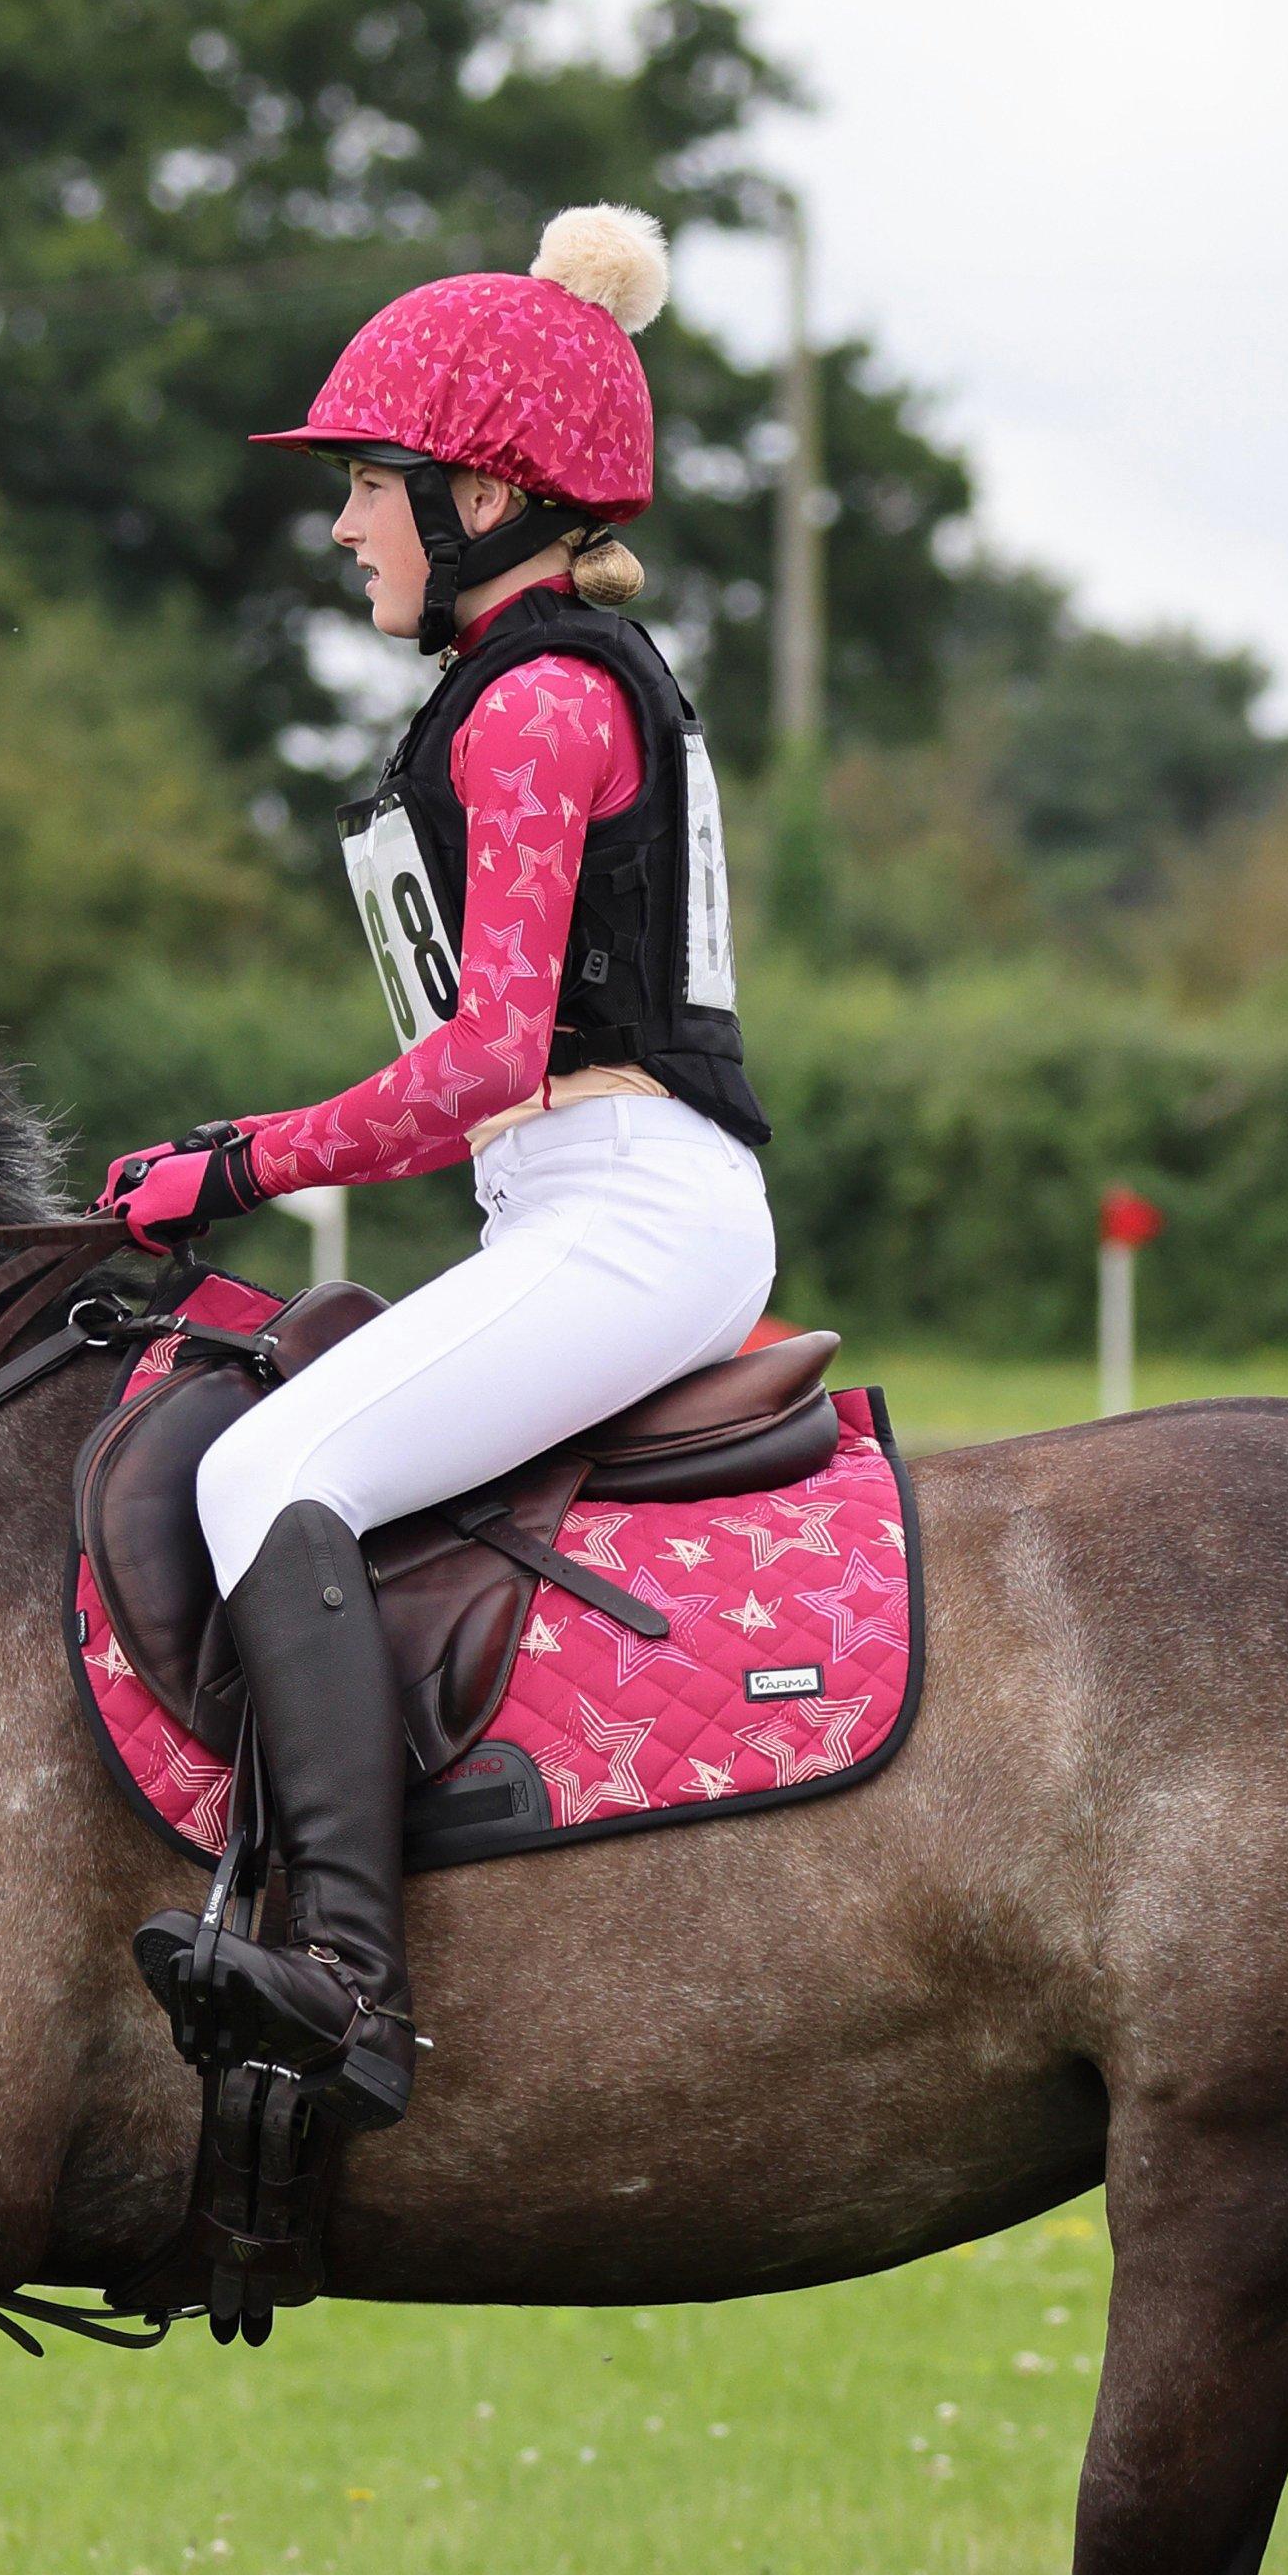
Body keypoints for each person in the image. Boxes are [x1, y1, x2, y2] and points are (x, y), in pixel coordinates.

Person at [102, 204, 774, 2132]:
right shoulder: (539, 681)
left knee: (270, 1466)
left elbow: (484, 1058)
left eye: (367, 489)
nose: (344, 529)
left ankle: (347, 1988)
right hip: (594, 1198)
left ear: (481, 487)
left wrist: (237, 1157)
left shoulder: (545, 702)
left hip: (632, 1209)